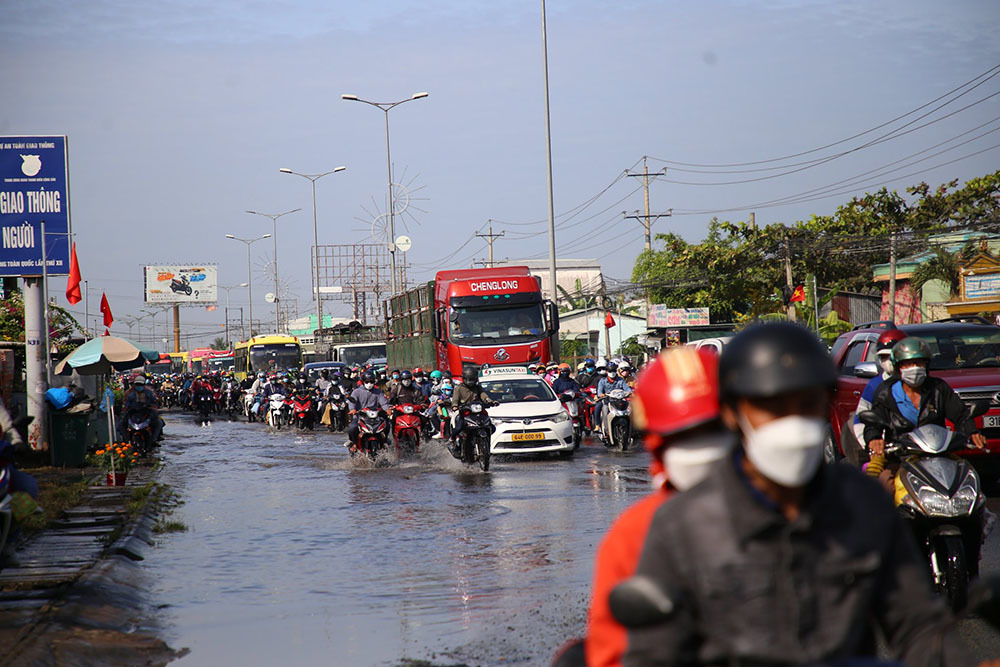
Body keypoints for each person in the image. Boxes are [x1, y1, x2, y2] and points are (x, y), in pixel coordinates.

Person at [624, 321, 976, 666]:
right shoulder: (683, 524)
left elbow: (918, 628)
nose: (792, 423)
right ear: (732, 414)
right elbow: (653, 653)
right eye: (771, 407)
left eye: (807, 404)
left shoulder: (862, 504)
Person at [586, 346, 734, 667]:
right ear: (656, 444)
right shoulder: (634, 534)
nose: (701, 449)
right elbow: (610, 651)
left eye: (711, 432)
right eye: (683, 436)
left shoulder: (796, 504)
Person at [844, 328, 906, 466]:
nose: (888, 362)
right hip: (890, 451)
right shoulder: (876, 386)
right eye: (884, 358)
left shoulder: (933, 386)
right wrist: (873, 443)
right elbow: (861, 418)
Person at [449, 367, 495, 455]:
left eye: (473, 379)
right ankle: (451, 439)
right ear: (464, 378)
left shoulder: (478, 387)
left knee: (491, 426)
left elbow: (483, 395)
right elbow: (455, 399)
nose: (471, 382)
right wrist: (455, 406)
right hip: (465, 412)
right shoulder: (459, 388)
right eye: (469, 379)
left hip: (478, 411)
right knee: (459, 427)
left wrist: (490, 401)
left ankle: (486, 445)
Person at [346, 370, 390, 449]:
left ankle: (384, 441)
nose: (369, 384)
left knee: (387, 424)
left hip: (375, 417)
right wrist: (352, 409)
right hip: (360, 417)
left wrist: (387, 410)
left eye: (371, 381)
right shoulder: (356, 392)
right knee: (353, 427)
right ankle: (354, 443)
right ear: (363, 382)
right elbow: (352, 402)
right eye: (367, 382)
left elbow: (383, 403)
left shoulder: (378, 392)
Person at [121, 375, 163, 442]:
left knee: (159, 422)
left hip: (147, 411)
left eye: (140, 384)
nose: (139, 386)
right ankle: (126, 439)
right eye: (137, 384)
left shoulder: (149, 392)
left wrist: (154, 404)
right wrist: (126, 407)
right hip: (133, 412)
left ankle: (154, 438)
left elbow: (154, 401)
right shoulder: (129, 393)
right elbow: (126, 403)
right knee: (121, 424)